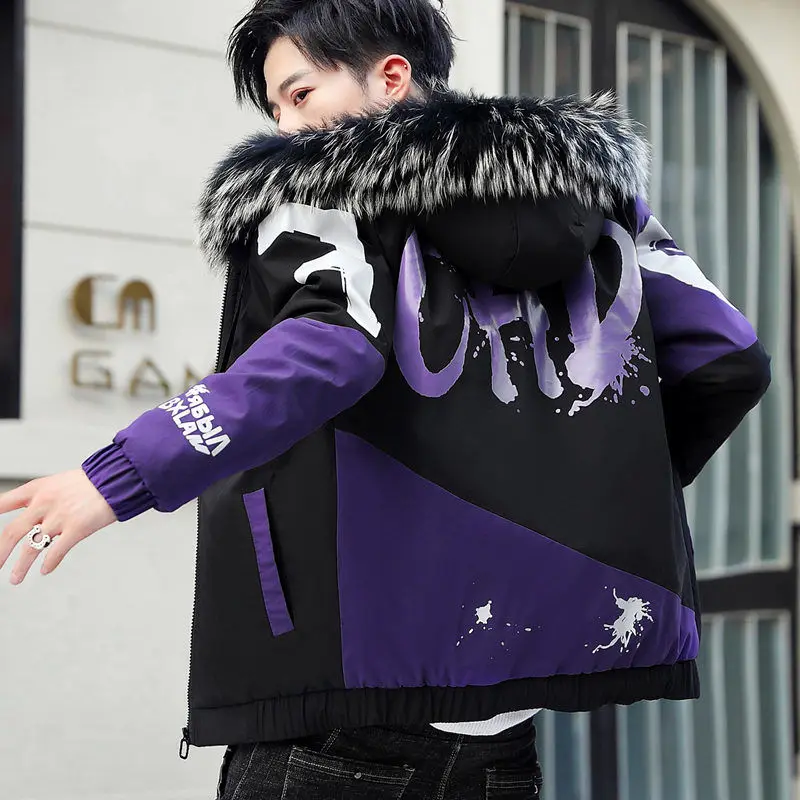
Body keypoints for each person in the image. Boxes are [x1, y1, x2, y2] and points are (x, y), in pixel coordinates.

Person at [0, 0, 771, 797]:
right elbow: (731, 361)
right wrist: (595, 490)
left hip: (343, 705)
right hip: (504, 732)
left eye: (300, 93)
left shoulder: (332, 196)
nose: (287, 126)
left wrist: (117, 474)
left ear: (392, 77)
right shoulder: (607, 210)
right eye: (275, 108)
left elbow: (327, 351)